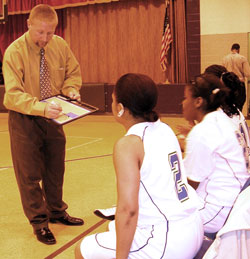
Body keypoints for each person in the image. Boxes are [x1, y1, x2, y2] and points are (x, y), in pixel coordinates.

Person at [75, 73, 204, 259]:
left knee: (82, 249)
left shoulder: (128, 145)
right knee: (111, 227)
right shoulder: (165, 129)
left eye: (113, 100)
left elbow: (128, 210)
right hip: (192, 226)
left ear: (120, 108)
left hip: (166, 240)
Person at [2, 4, 83, 245]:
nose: (45, 39)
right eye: (40, 33)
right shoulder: (14, 52)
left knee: (55, 169)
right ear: (29, 24)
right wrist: (41, 107)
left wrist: (71, 89)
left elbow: (73, 73)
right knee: (29, 175)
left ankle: (57, 211)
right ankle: (39, 221)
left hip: (54, 116)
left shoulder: (59, 45)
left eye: (49, 33)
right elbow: (12, 95)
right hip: (25, 117)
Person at [182, 73, 250, 237]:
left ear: (198, 101)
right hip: (236, 202)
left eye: (185, 98)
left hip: (219, 210)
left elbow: (190, 184)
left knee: (167, 217)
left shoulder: (203, 131)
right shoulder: (221, 119)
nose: (182, 103)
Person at [222, 43, 250, 111]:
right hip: (239, 83)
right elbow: (248, 73)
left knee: (229, 103)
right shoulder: (242, 58)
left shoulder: (225, 58)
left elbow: (223, 72)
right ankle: (238, 118)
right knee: (240, 103)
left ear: (231, 49)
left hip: (228, 84)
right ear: (238, 49)